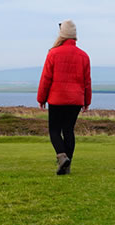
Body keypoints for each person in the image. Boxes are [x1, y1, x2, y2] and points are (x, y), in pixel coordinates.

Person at [37, 20, 91, 175]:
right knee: (68, 130)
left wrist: (41, 98)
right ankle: (67, 164)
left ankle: (62, 157)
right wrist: (87, 101)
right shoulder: (84, 56)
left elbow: (46, 78)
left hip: (57, 98)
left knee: (54, 130)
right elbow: (87, 81)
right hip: (76, 99)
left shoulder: (53, 53)